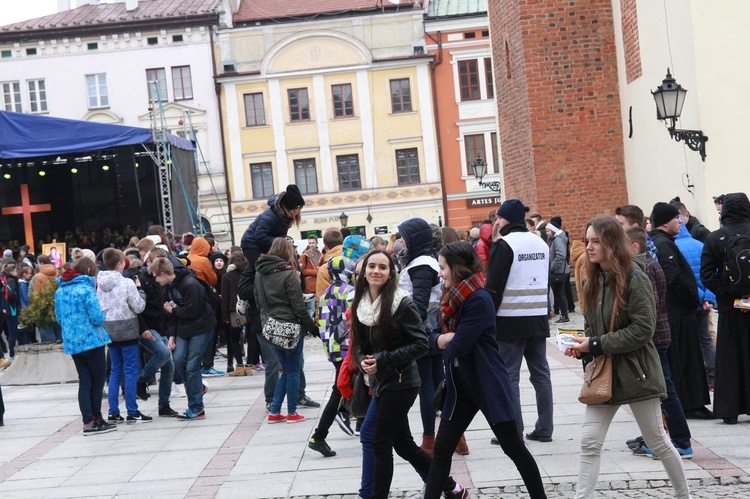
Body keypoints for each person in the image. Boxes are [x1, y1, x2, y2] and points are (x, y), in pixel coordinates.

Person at [565, 216, 690, 499]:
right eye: (587, 241)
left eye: (596, 241)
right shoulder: (590, 281)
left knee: (657, 440)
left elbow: (643, 331)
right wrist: (580, 345)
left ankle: (684, 495)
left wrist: (594, 344)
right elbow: (593, 330)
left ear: (612, 244)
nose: (589, 247)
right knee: (589, 441)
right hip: (604, 375)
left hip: (637, 372)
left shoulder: (637, 278)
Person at [425, 242, 546, 499]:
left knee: (514, 448)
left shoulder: (479, 299)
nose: (440, 273)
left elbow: (459, 346)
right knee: (443, 450)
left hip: (487, 384)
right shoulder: (451, 299)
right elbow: (434, 338)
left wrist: (444, 341)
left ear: (457, 268)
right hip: (460, 387)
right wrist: (442, 340)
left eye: (443, 267)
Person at [350, 250, 467, 499]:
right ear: (364, 272)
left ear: (391, 273)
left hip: (402, 382)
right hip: (380, 381)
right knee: (402, 444)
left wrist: (381, 360)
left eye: (383, 267)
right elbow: (358, 343)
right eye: (372, 266)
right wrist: (363, 361)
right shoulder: (360, 302)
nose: (376, 271)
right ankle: (452, 488)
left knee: (379, 442)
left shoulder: (401, 303)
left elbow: (421, 343)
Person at [486, 199, 554, 443]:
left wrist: (487, 318)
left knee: (509, 376)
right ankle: (545, 428)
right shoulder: (540, 242)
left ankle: (513, 431)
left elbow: (493, 286)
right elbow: (545, 279)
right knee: (541, 374)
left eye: (499, 218)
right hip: (537, 317)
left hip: (510, 319)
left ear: (505, 220)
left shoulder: (504, 244)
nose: (496, 222)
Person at [650, 202, 712, 419]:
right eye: (676, 218)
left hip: (676, 311)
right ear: (666, 222)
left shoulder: (664, 242)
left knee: (684, 358)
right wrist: (692, 296)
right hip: (678, 312)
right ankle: (692, 404)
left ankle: (691, 403)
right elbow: (673, 276)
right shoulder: (664, 244)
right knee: (686, 358)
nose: (680, 221)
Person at [396, 218, 447, 456]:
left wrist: (410, 330)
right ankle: (456, 438)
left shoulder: (422, 264)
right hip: (432, 327)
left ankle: (429, 440)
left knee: (427, 386)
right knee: (439, 384)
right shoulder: (425, 262)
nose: (402, 241)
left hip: (424, 329)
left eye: (405, 236)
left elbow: (420, 302)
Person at [255, 238, 318, 424]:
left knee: (287, 371)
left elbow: (258, 301)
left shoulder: (259, 273)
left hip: (270, 327)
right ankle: (291, 412)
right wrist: (311, 327)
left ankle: (275, 411)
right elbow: (299, 307)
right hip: (289, 327)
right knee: (292, 370)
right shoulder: (288, 273)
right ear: (287, 252)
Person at [700, 192, 750, 425]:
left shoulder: (715, 237)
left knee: (729, 358)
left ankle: (729, 410)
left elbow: (707, 273)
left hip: (730, 308)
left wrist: (728, 294)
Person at [54, 257, 117, 435]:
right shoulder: (86, 290)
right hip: (91, 340)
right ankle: (97, 419)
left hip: (73, 343)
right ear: (89, 270)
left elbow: (59, 318)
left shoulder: (60, 291)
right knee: (97, 381)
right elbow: (96, 318)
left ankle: (87, 421)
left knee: (85, 381)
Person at [152, 257, 216, 420]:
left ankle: (196, 407)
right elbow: (171, 317)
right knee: (179, 360)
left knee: (192, 364)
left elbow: (192, 311)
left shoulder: (190, 284)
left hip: (201, 327)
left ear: (163, 273)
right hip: (184, 329)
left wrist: (173, 311)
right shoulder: (168, 288)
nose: (155, 280)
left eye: (156, 276)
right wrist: (171, 336)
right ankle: (197, 386)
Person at [308, 256, 356, 457]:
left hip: (334, 348)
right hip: (347, 347)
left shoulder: (325, 293)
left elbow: (322, 322)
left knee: (344, 386)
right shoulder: (349, 292)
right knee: (340, 389)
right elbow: (355, 320)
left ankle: (326, 431)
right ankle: (320, 435)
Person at [97, 249, 151, 425]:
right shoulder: (127, 282)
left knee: (115, 371)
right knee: (130, 371)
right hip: (127, 329)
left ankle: (113, 412)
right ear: (119, 263)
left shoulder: (100, 283)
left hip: (110, 330)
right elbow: (138, 307)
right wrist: (140, 291)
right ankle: (132, 411)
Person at [135, 246, 178, 417]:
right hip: (147, 325)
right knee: (163, 354)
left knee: (169, 366)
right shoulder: (141, 279)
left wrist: (170, 332)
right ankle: (141, 380)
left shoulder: (163, 279)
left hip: (161, 325)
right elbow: (137, 308)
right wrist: (143, 328)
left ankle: (164, 405)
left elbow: (165, 304)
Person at [546, 216, 570, 324]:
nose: (546, 233)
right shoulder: (555, 240)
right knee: (560, 294)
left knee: (560, 295)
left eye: (548, 231)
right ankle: (564, 315)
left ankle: (564, 316)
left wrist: (552, 268)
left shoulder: (558, 240)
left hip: (558, 272)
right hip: (558, 271)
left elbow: (561, 255)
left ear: (553, 231)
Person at [299, 235, 321, 318]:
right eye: (310, 243)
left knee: (318, 308)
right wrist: (316, 272)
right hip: (310, 286)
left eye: (313, 243)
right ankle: (311, 329)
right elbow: (302, 270)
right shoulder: (304, 255)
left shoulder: (320, 255)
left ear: (317, 243)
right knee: (311, 309)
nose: (312, 245)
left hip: (318, 285)